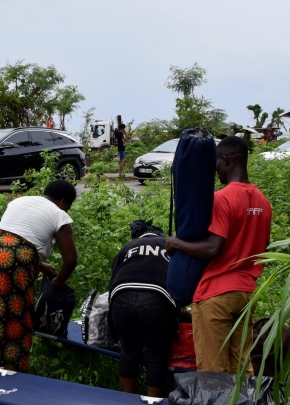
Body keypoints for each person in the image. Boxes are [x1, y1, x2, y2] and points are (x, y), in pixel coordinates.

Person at [165, 136, 272, 374]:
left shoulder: (222, 199)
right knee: (242, 369)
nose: (216, 172)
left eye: (216, 166)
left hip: (216, 294)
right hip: (246, 294)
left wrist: (177, 243)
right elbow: (264, 247)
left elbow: (213, 248)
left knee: (213, 373)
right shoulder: (263, 202)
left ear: (225, 160)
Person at [0, 180, 79, 372]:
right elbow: (71, 260)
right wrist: (58, 281)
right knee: (15, 315)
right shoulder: (59, 214)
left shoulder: (20, 201)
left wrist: (39, 264)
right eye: (68, 207)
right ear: (63, 201)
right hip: (11, 260)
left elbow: (11, 236)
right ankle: (13, 375)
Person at [108, 221, 174, 398]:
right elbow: (178, 280)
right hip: (156, 300)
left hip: (121, 298)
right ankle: (152, 400)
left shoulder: (128, 246)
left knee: (129, 350)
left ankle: (127, 398)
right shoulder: (169, 244)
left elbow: (114, 277)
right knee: (156, 354)